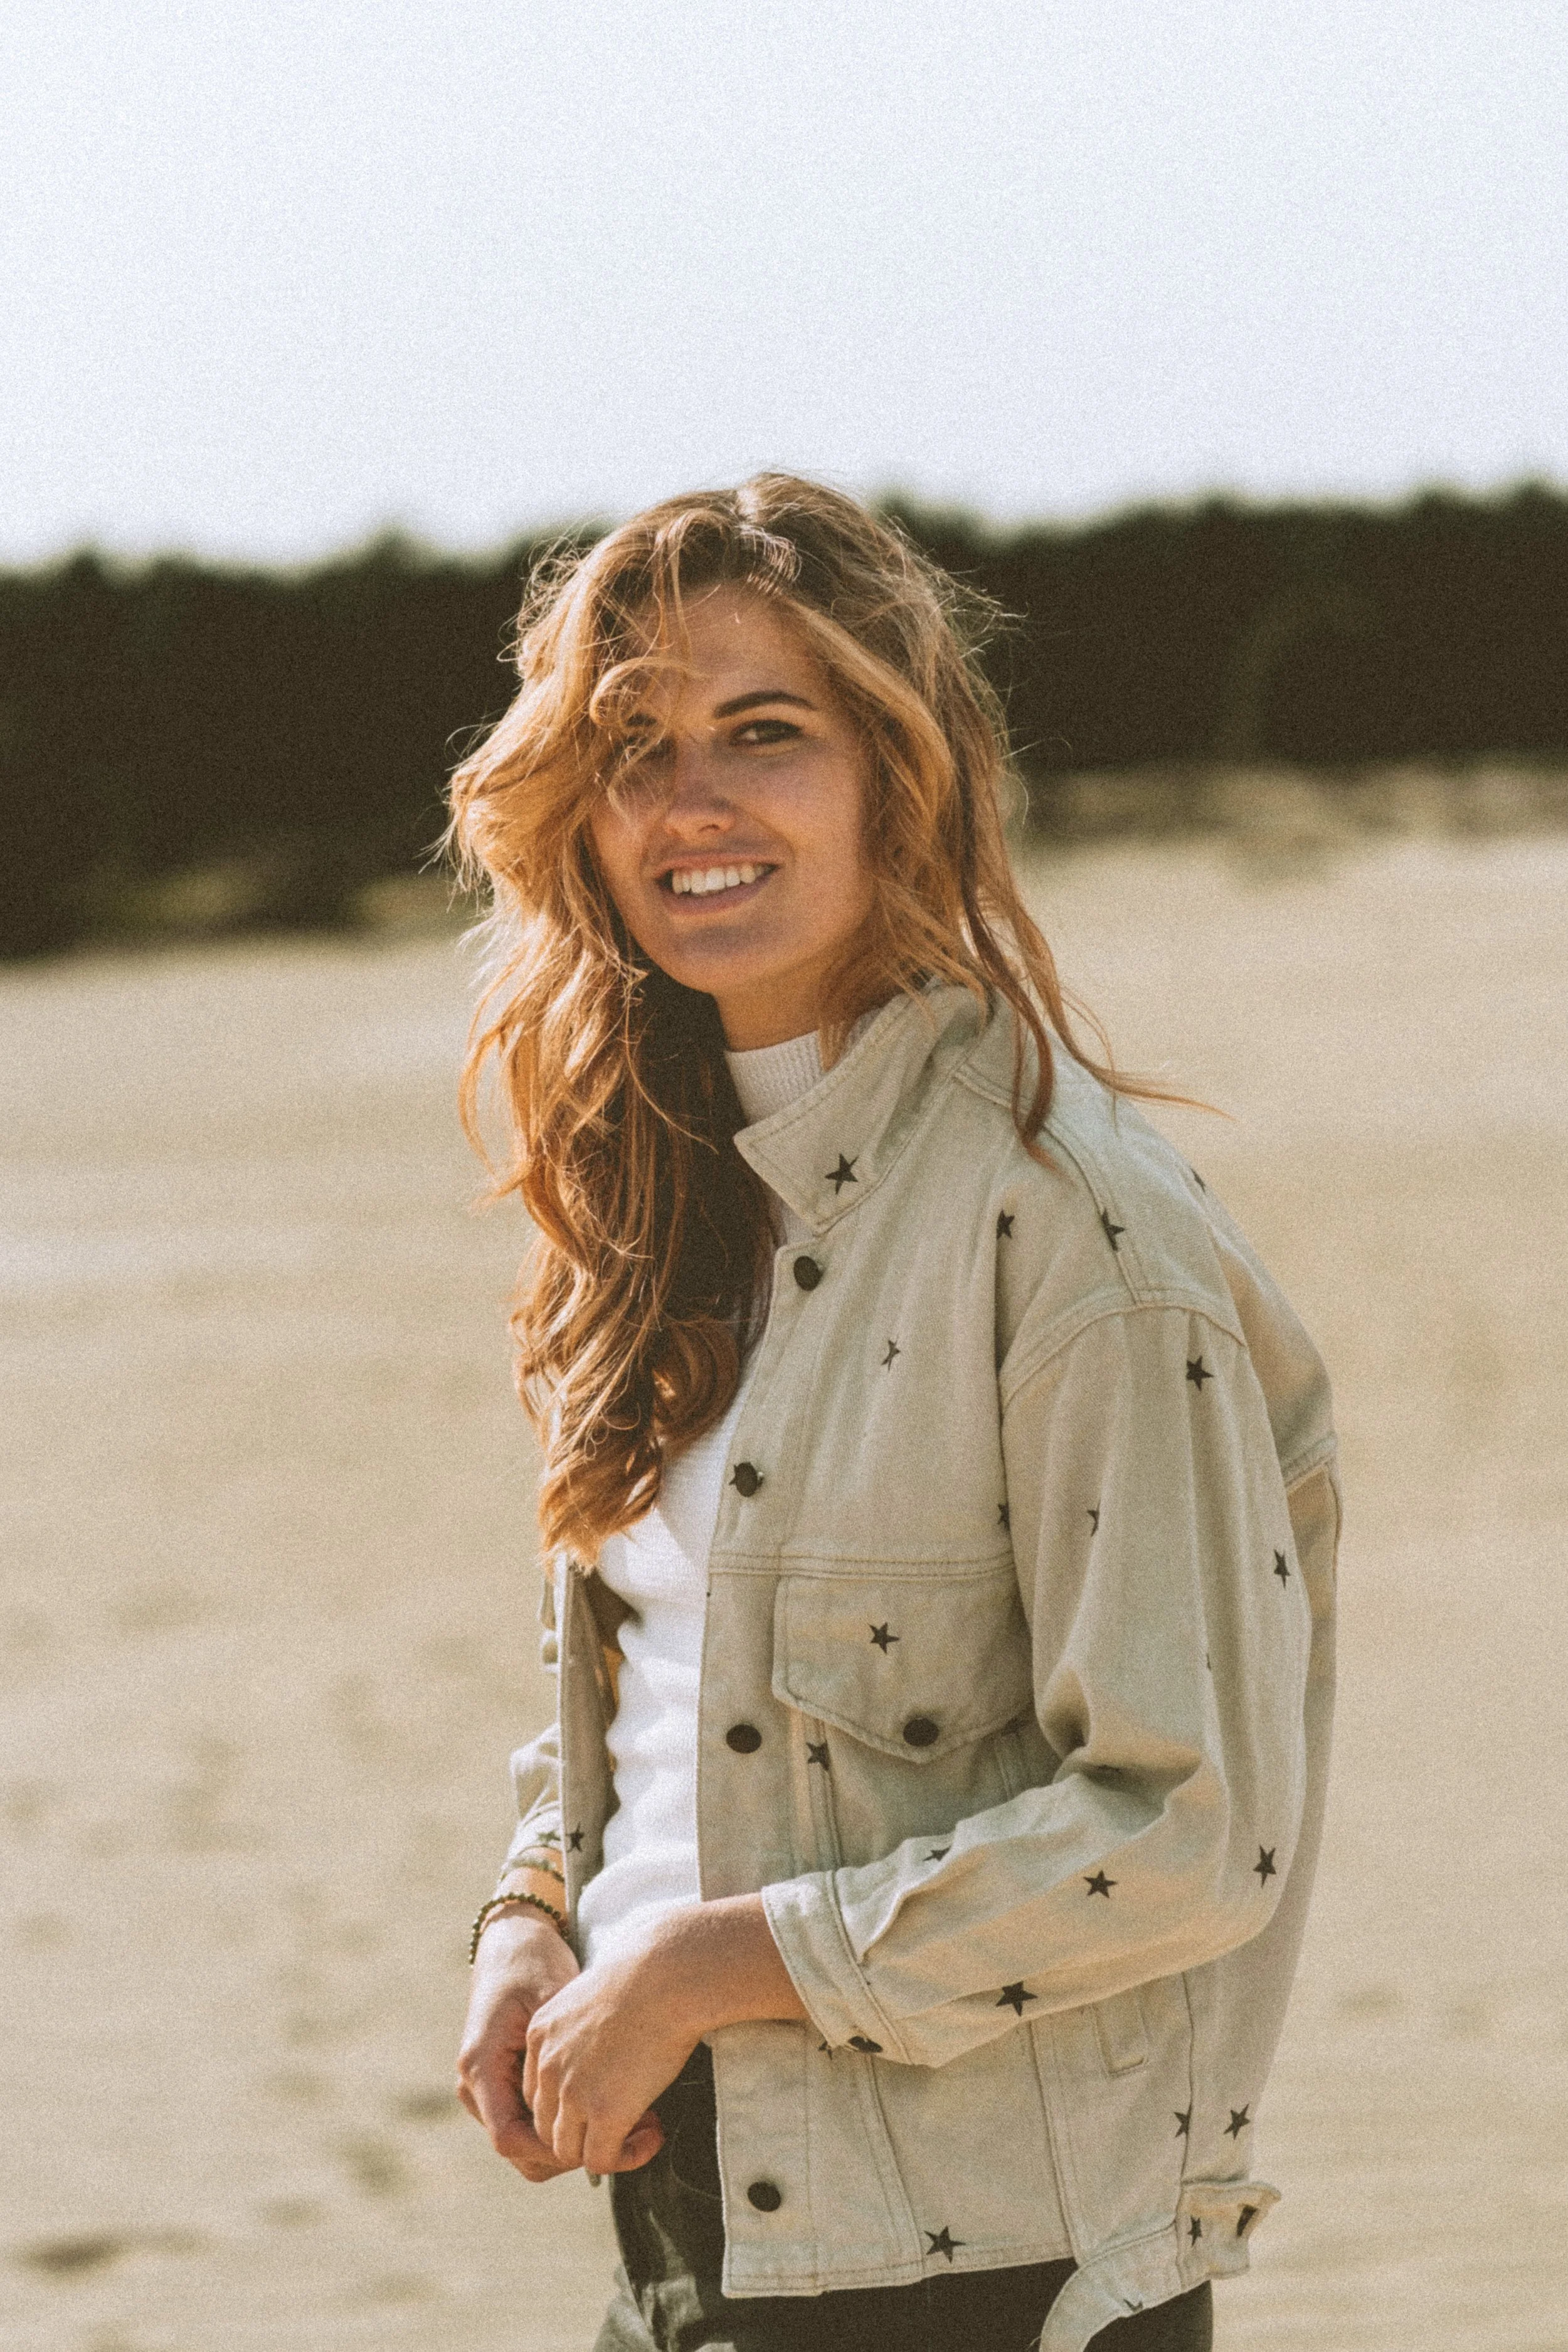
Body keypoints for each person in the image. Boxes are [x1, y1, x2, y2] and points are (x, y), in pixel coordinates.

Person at [448, 475, 1339, 2352]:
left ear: (895, 773)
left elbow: (1190, 1825)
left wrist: (703, 1963)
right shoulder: (661, 1199)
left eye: (762, 732)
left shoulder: (1080, 1234)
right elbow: (674, 1670)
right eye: (630, 745)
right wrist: (536, 1906)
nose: (687, 800)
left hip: (981, 2272)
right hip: (697, 2221)